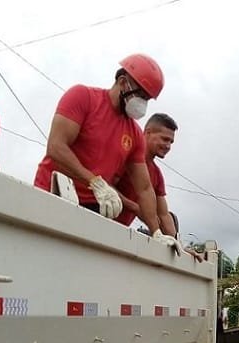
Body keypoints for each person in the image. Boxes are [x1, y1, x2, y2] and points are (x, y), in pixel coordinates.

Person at [33, 54, 164, 237]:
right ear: (122, 81)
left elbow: (144, 188)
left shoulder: (134, 134)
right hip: (53, 192)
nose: (142, 103)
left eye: (147, 99)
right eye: (140, 95)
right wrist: (94, 181)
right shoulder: (83, 97)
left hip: (94, 206)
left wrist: (157, 232)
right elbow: (56, 147)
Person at [114, 112, 177, 235]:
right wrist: (135, 208)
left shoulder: (156, 174)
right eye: (164, 139)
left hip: (119, 233)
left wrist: (178, 245)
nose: (168, 146)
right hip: (94, 220)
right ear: (147, 133)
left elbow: (163, 215)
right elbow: (103, 185)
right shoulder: (124, 154)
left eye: (171, 142)